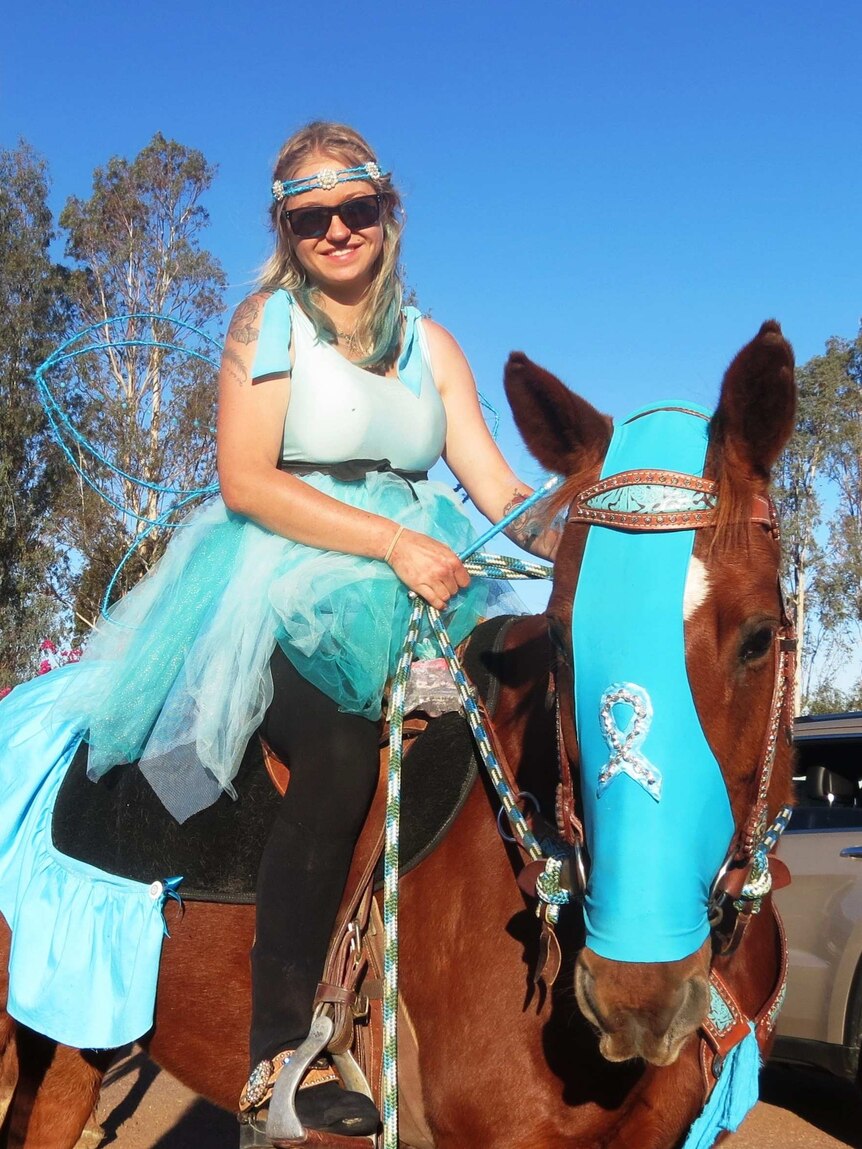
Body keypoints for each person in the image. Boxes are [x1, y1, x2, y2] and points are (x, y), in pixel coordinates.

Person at [0, 121, 558, 1147]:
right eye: (312, 217)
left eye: (356, 210)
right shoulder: (265, 327)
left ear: (388, 214)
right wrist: (391, 544)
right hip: (284, 571)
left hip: (425, 572)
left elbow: (492, 482)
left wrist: (579, 527)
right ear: (285, 229)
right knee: (338, 749)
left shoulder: (432, 345)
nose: (337, 231)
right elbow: (246, 481)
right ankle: (279, 1055)